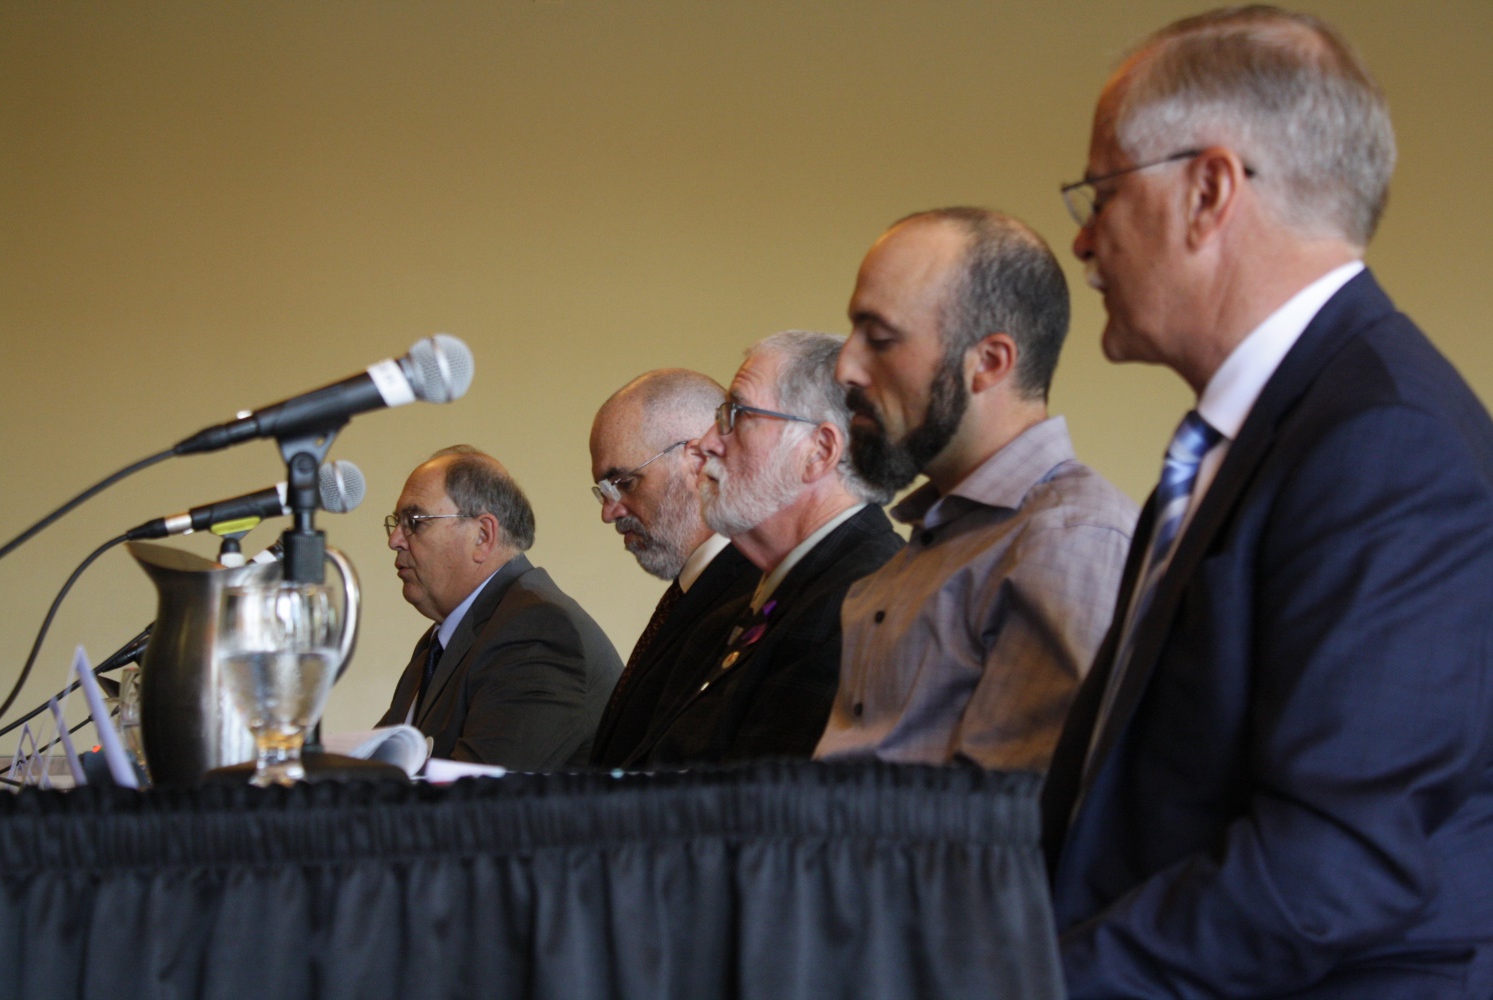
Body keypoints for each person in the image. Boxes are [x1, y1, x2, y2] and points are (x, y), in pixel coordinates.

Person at [1039, 8, 1493, 998]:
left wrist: (1023, 982)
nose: (1082, 236)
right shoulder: (1271, 423)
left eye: (1102, 189)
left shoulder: (1385, 440)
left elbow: (1330, 867)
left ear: (1208, 191)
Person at [814, 208, 1136, 771]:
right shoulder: (933, 540)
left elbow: (1009, 837)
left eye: (881, 339)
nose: (845, 367)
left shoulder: (1067, 542)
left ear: (988, 363)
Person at [622, 331, 903, 768]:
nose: (707, 442)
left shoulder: (862, 609)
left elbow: (762, 819)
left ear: (819, 451)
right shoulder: (744, 608)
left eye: (737, 414)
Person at [379, 445, 623, 770]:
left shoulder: (538, 632)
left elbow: (480, 803)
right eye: (397, 522)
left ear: (482, 535)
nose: (395, 539)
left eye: (415, 521)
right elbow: (376, 770)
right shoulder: (435, 646)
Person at [586, 369, 761, 768]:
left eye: (624, 482)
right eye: (603, 490)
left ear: (699, 460)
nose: (609, 512)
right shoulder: (692, 593)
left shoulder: (756, 597)